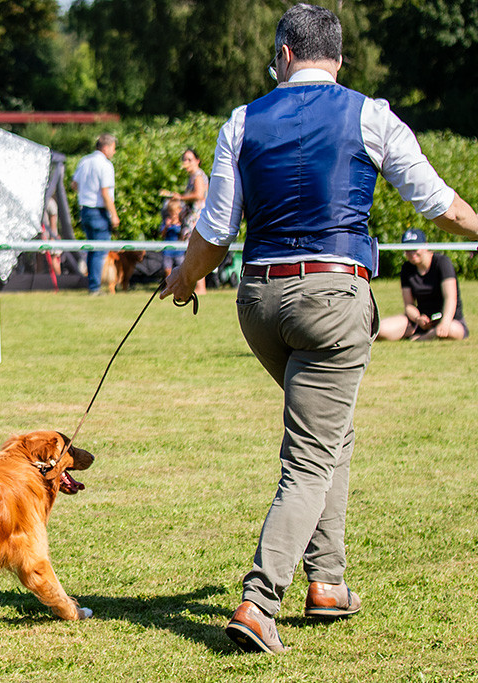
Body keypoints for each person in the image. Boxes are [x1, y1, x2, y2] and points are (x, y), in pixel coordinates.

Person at [160, 3, 478, 654]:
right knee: (311, 454)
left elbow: (216, 232)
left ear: (283, 54)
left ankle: (328, 581)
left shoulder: (241, 121)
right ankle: (259, 601)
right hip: (333, 296)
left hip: (260, 304)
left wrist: (184, 280)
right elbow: (436, 201)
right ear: (337, 58)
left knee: (329, 433)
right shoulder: (371, 114)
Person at [377, 228, 468, 341]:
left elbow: (451, 298)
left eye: (415, 249)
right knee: (381, 329)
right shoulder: (407, 268)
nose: (411, 253)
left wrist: (445, 322)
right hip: (421, 321)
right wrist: (418, 318)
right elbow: (409, 305)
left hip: (449, 319)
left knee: (451, 330)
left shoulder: (442, 262)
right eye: (407, 250)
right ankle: (425, 333)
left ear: (425, 245)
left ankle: (424, 338)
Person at [71, 133, 119, 295]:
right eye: (113, 148)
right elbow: (105, 193)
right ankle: (95, 288)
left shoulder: (84, 161)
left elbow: (74, 185)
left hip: (85, 210)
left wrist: (87, 192)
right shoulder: (105, 165)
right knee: (99, 251)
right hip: (99, 211)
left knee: (92, 250)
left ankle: (92, 285)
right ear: (105, 147)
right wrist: (114, 215)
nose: (114, 152)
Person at [160, 148, 208, 294]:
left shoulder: (197, 175)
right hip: (192, 218)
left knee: (195, 252)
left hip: (196, 218)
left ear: (197, 161)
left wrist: (180, 197)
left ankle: (200, 287)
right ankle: (197, 286)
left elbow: (199, 195)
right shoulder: (192, 176)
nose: (186, 162)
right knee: (193, 252)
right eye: (184, 159)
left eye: (189, 159)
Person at [159, 198, 186, 276]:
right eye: (172, 213)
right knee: (167, 270)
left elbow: (183, 237)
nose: (173, 215)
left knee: (182, 271)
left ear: (180, 210)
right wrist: (166, 226)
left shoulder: (182, 223)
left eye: (175, 213)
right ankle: (169, 283)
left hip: (179, 251)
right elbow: (162, 235)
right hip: (168, 250)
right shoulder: (166, 222)